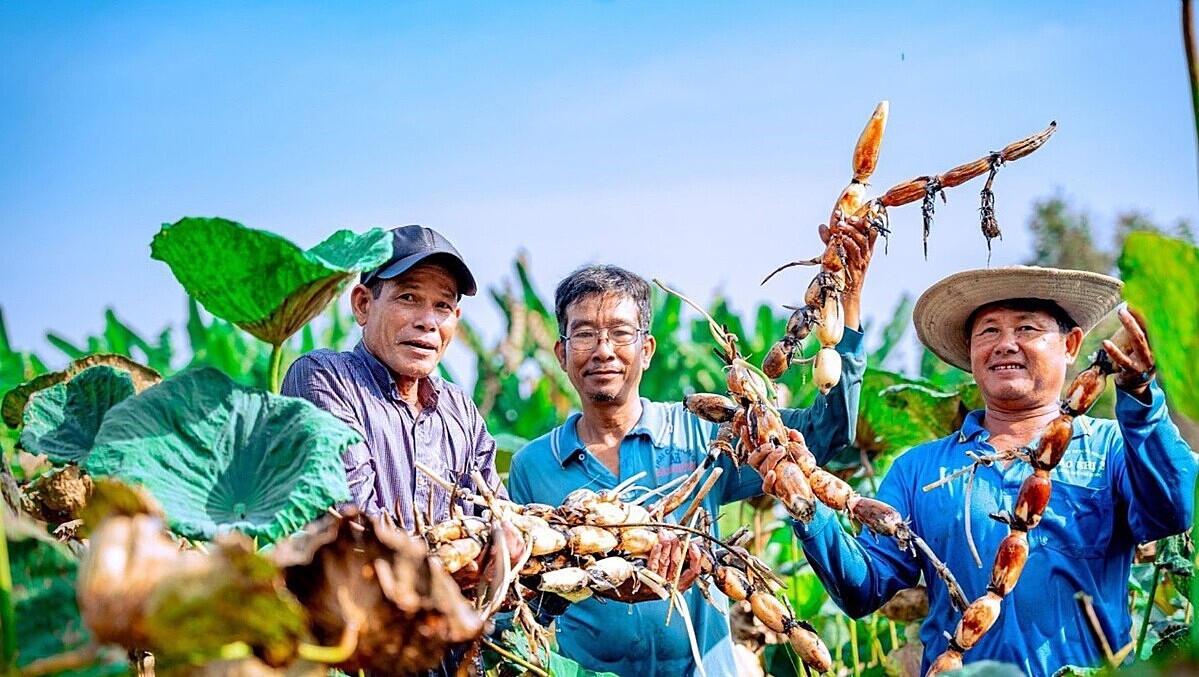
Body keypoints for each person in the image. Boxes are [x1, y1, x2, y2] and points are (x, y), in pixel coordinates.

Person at [781, 265, 1196, 677]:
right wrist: (803, 503)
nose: (1006, 344)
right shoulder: (919, 470)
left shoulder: (1112, 448)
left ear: (1070, 345)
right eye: (989, 331)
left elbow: (1174, 511)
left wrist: (1140, 398)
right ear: (970, 350)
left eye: (1027, 328)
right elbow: (862, 587)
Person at [506, 218, 876, 676]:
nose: (603, 350)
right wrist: (596, 583)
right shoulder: (532, 467)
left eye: (620, 333)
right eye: (583, 334)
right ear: (561, 353)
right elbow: (525, 595)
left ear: (647, 350)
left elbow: (826, 432)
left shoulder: (702, 430)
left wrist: (846, 306)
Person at [283, 224, 504, 526]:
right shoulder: (326, 378)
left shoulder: (460, 409)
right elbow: (354, 526)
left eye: (442, 305)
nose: (428, 322)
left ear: (455, 318)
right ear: (363, 304)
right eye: (408, 297)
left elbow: (501, 517)